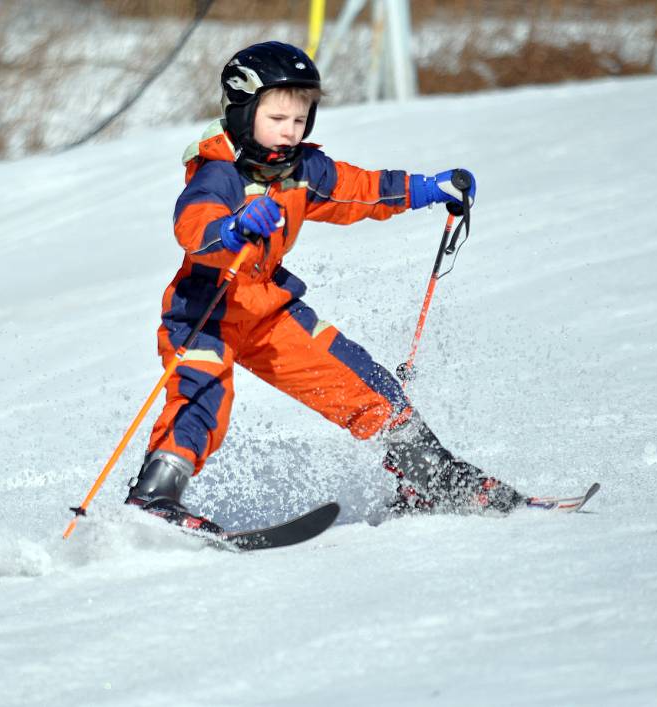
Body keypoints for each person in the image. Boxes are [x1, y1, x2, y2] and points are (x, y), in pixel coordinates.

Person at [125, 41, 523, 531]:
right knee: (203, 395)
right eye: (277, 119)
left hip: (270, 313)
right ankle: (155, 497)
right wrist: (233, 230)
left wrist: (426, 189)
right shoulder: (218, 175)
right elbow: (194, 227)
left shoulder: (300, 171)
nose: (290, 132)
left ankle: (431, 478)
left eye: (300, 120)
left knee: (361, 381)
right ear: (242, 111)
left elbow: (359, 190)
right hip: (204, 315)